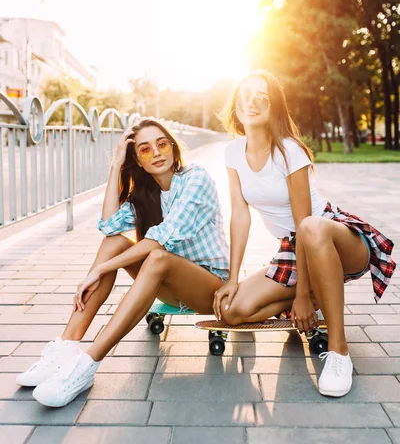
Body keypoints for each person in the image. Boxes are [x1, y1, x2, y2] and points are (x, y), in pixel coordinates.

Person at [17, 118, 229, 407]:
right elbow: (108, 226)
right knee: (115, 243)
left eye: (162, 144)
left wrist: (101, 269)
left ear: (173, 148)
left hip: (209, 289)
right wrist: (116, 165)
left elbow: (161, 239)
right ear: (138, 161)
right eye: (145, 149)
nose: (156, 153)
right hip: (167, 283)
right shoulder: (147, 193)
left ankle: (87, 365)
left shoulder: (196, 178)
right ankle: (66, 346)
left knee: (155, 255)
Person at [213, 70, 396, 398]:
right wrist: (231, 278)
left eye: (262, 97)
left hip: (336, 240)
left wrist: (298, 296)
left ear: (275, 108)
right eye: (244, 95)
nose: (251, 103)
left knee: (310, 227)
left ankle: (339, 352)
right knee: (233, 312)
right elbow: (240, 216)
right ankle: (319, 298)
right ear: (235, 103)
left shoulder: (288, 150)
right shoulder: (233, 153)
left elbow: (303, 224)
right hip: (295, 250)